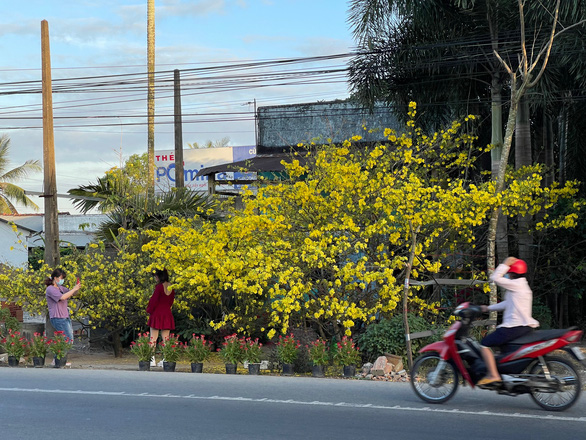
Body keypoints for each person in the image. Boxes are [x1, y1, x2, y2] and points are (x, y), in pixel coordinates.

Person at [477, 256, 539, 386]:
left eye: (508, 272)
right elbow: (507, 304)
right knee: (501, 348)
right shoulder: (522, 285)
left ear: (511, 273)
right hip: (523, 327)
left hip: (514, 327)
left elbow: (495, 278)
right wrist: (487, 308)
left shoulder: (516, 285)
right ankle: (503, 374)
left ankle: (493, 375)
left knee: (484, 344)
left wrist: (504, 264)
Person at [147, 268, 175, 367]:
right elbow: (171, 301)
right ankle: (166, 359)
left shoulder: (159, 287)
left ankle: (152, 359)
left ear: (159, 276)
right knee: (166, 338)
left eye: (156, 276)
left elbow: (154, 301)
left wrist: (149, 310)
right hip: (167, 313)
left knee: (153, 338)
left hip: (157, 314)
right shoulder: (171, 287)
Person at [45, 268, 81, 344]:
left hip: (64, 317)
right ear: (55, 278)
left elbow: (73, 293)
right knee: (68, 340)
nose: (62, 280)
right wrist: (74, 289)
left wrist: (76, 288)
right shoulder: (50, 289)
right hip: (57, 317)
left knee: (67, 340)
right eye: (61, 278)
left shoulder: (61, 288)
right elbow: (62, 297)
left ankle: (58, 355)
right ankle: (58, 355)